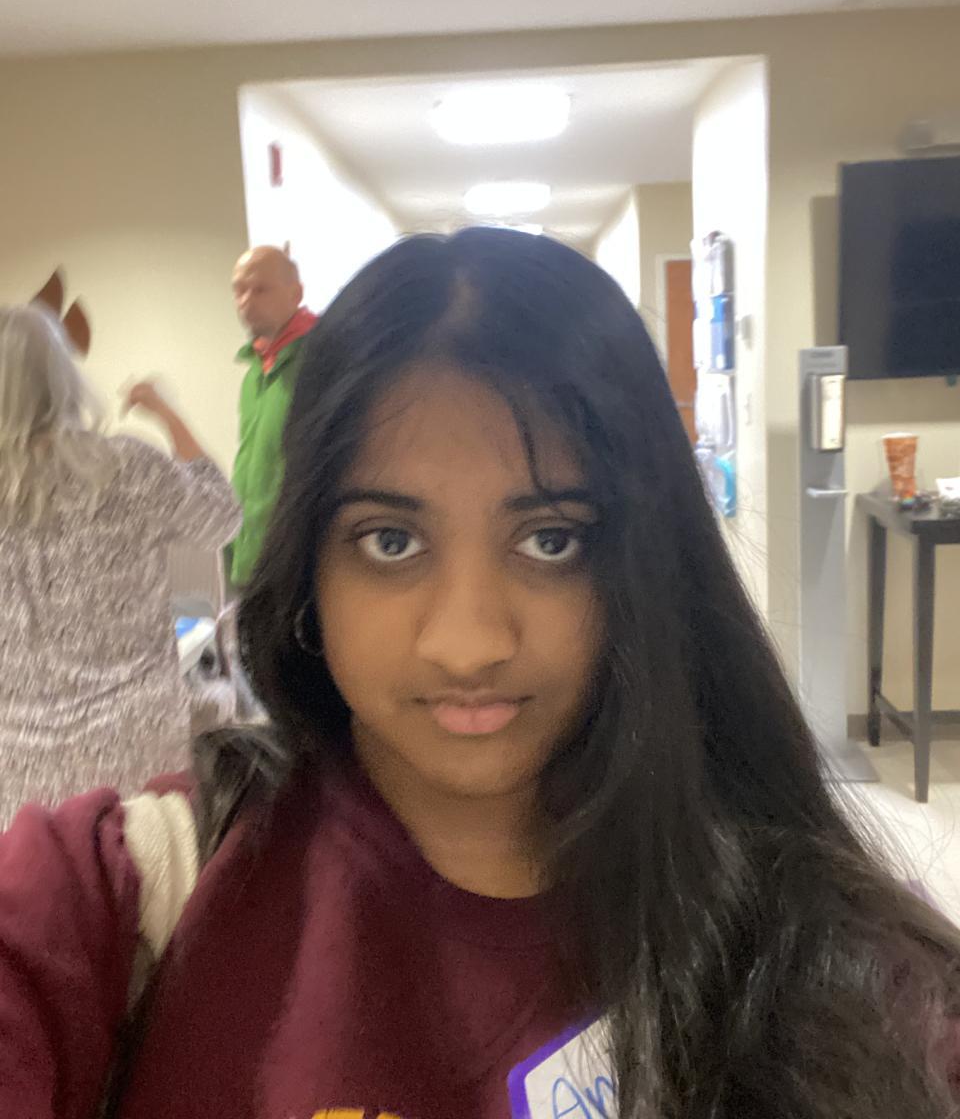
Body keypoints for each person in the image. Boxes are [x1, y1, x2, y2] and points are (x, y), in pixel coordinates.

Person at [1, 229, 960, 1119]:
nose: (468, 645)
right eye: (390, 540)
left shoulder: (837, 958)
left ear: (646, 566)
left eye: (551, 540)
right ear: (309, 571)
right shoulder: (132, 892)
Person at [0, 304, 240, 828]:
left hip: (16, 784)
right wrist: (167, 413)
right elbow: (220, 516)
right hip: (140, 764)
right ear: (64, 377)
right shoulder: (127, 467)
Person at [229, 244, 316, 589]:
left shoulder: (321, 360)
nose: (246, 301)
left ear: (296, 294)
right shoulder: (254, 370)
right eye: (239, 290)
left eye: (260, 289)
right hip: (251, 565)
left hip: (298, 571)